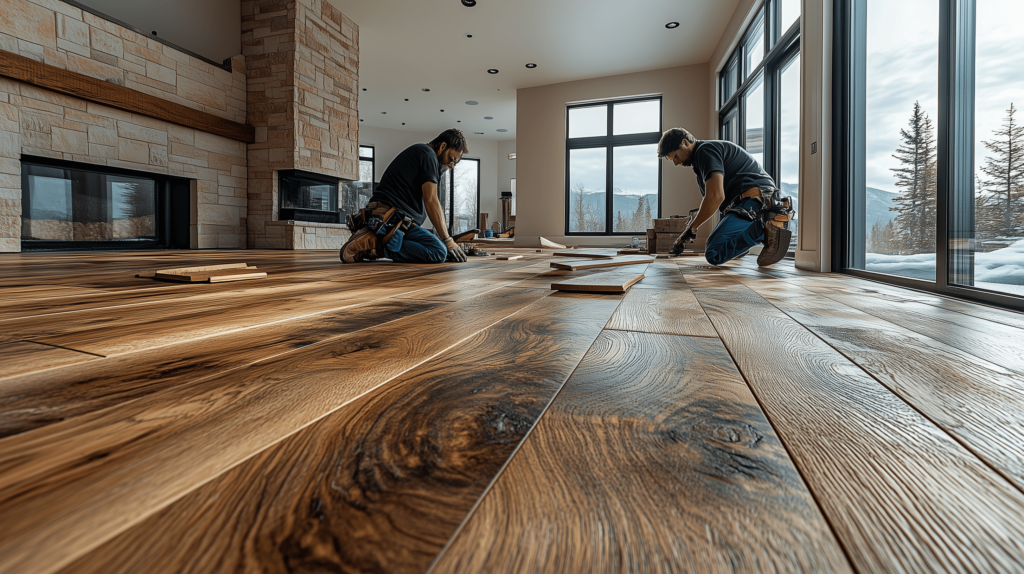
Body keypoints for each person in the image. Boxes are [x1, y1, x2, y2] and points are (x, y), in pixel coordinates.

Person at [658, 127, 794, 267]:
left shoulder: (704, 151)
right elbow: (718, 200)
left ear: (685, 143)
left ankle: (765, 230)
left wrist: (692, 227)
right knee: (713, 244)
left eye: (675, 156)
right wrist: (691, 228)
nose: (675, 162)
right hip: (752, 202)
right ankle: (754, 232)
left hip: (756, 201)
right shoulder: (703, 156)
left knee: (714, 253)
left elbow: (716, 196)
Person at [340, 129, 470, 264]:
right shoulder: (429, 155)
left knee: (438, 246)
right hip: (390, 218)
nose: (451, 165)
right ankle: (376, 244)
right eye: (452, 159)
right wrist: (448, 240)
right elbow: (431, 200)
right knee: (438, 251)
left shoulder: (423, 153)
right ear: (442, 146)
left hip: (394, 219)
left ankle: (379, 238)